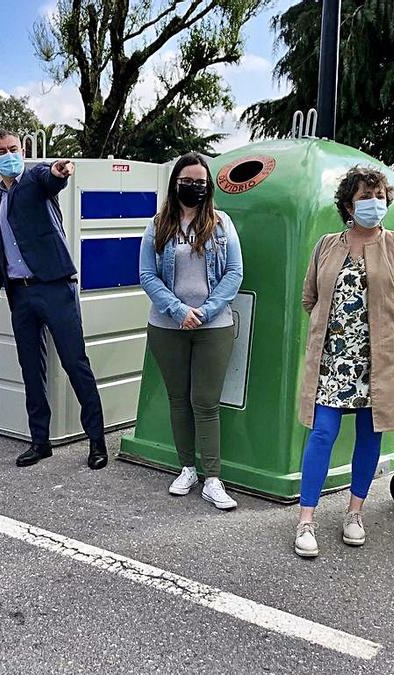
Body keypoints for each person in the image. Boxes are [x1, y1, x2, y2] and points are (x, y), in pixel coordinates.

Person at [293, 166, 394, 556]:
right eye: (364, 197)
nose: (374, 204)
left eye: (379, 197)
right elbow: (310, 297)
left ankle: (355, 513)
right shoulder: (326, 245)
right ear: (347, 204)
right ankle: (306, 519)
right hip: (333, 361)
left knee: (371, 435)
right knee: (322, 432)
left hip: (379, 364)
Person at [0, 129, 107, 470]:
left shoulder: (35, 179)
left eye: (13, 149)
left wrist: (58, 171)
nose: (9, 155)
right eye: (1, 151)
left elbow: (50, 177)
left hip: (55, 286)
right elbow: (0, 246)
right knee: (30, 368)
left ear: (22, 150)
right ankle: (40, 441)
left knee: (74, 362)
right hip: (19, 293)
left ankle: (96, 441)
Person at [138, 153, 243, 510]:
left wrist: (206, 311)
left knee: (206, 402)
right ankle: (187, 468)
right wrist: (178, 310)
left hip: (213, 326)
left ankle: (213, 478)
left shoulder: (221, 223)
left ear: (208, 186)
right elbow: (147, 275)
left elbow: (234, 272)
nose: (194, 186)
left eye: (201, 181)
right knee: (178, 399)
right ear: (175, 182)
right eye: (188, 180)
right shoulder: (158, 224)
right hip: (167, 326)